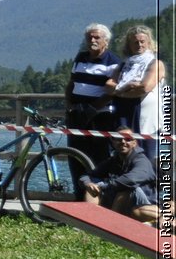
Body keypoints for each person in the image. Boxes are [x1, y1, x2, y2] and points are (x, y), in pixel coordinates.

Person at [107, 25, 166, 168]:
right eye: (135, 42)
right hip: (123, 113)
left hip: (145, 117)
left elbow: (145, 87)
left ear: (149, 43)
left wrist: (119, 90)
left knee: (145, 156)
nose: (139, 44)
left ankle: (146, 190)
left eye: (142, 41)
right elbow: (108, 86)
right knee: (122, 152)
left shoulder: (155, 63)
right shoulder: (123, 65)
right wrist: (128, 87)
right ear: (129, 45)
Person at [65, 23, 121, 173]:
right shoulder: (80, 57)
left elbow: (111, 93)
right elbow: (72, 82)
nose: (92, 40)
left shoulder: (114, 62)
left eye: (97, 37)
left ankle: (99, 194)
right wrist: (69, 103)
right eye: (89, 37)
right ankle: (79, 194)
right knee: (75, 155)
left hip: (100, 117)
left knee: (99, 157)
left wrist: (91, 108)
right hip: (76, 115)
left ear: (106, 41)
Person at [80, 133, 159, 224]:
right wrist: (88, 184)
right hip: (118, 196)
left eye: (128, 139)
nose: (123, 142)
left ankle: (112, 226)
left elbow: (130, 180)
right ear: (113, 142)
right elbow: (88, 175)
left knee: (125, 188)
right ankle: (90, 224)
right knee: (92, 187)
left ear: (134, 143)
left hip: (145, 204)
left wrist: (106, 186)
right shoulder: (112, 160)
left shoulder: (141, 160)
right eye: (118, 139)